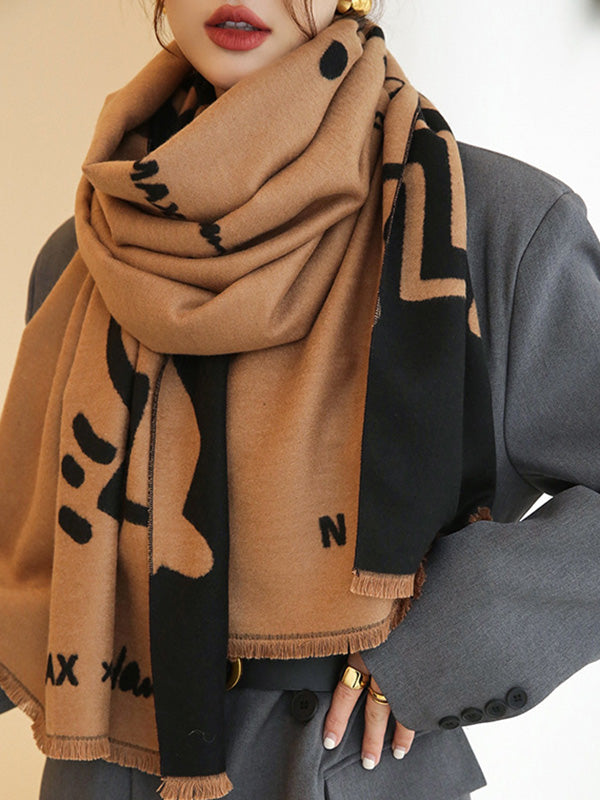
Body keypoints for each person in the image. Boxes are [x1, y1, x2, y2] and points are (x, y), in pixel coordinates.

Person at [0, 1, 599, 799]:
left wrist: (440, 646)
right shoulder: (89, 254)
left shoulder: (492, 225)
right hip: (107, 768)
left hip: (340, 766)